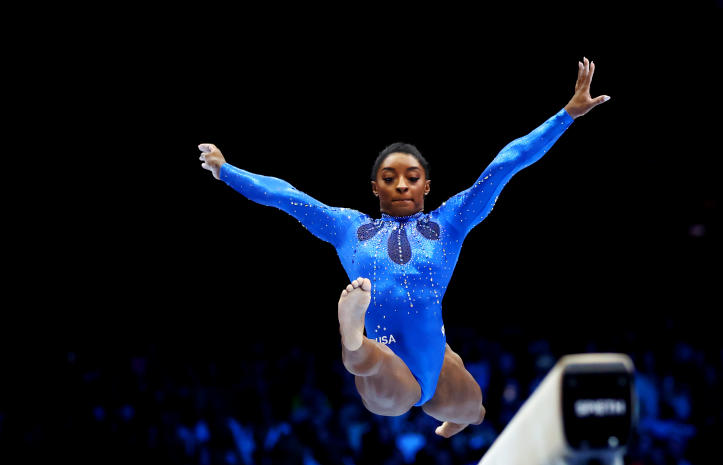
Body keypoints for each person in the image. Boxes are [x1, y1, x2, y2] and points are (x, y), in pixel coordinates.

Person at [199, 58, 609, 438]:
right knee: (386, 383)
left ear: (426, 186)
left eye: (411, 177)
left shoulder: (449, 222)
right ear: (374, 187)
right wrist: (227, 171)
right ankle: (354, 339)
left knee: (476, 410)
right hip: (387, 368)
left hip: (435, 363)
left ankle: (450, 404)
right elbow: (288, 196)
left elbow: (504, 164)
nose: (400, 185)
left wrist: (566, 115)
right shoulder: (349, 228)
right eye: (389, 177)